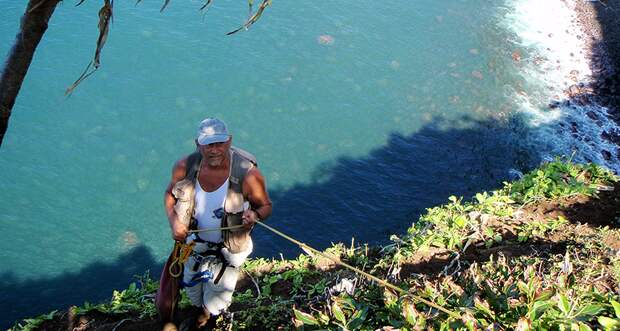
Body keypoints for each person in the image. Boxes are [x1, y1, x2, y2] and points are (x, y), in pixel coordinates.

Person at [163, 118, 272, 330]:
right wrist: (173, 221)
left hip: (229, 247)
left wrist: (256, 215)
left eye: (219, 143)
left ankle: (209, 318)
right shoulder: (185, 167)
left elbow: (266, 206)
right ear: (198, 144)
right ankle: (198, 311)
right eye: (208, 144)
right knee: (192, 286)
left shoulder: (248, 175)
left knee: (217, 296)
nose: (214, 150)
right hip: (194, 243)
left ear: (229, 141)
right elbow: (169, 194)